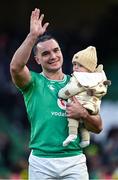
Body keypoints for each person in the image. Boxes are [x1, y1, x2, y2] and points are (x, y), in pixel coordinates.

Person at [10, 8, 103, 180]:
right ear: (37, 59)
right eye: (45, 53)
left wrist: (83, 114)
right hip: (41, 162)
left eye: (56, 50)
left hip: (74, 160)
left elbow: (98, 126)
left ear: (61, 51)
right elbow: (16, 67)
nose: (53, 56)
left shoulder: (80, 83)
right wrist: (32, 36)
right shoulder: (33, 82)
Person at [58, 46, 111, 147]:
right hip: (93, 107)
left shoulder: (80, 79)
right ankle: (86, 139)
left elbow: (70, 90)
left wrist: (61, 94)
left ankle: (72, 134)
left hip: (84, 104)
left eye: (80, 65)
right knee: (83, 124)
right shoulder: (97, 78)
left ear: (89, 68)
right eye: (74, 64)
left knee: (73, 114)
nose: (76, 67)